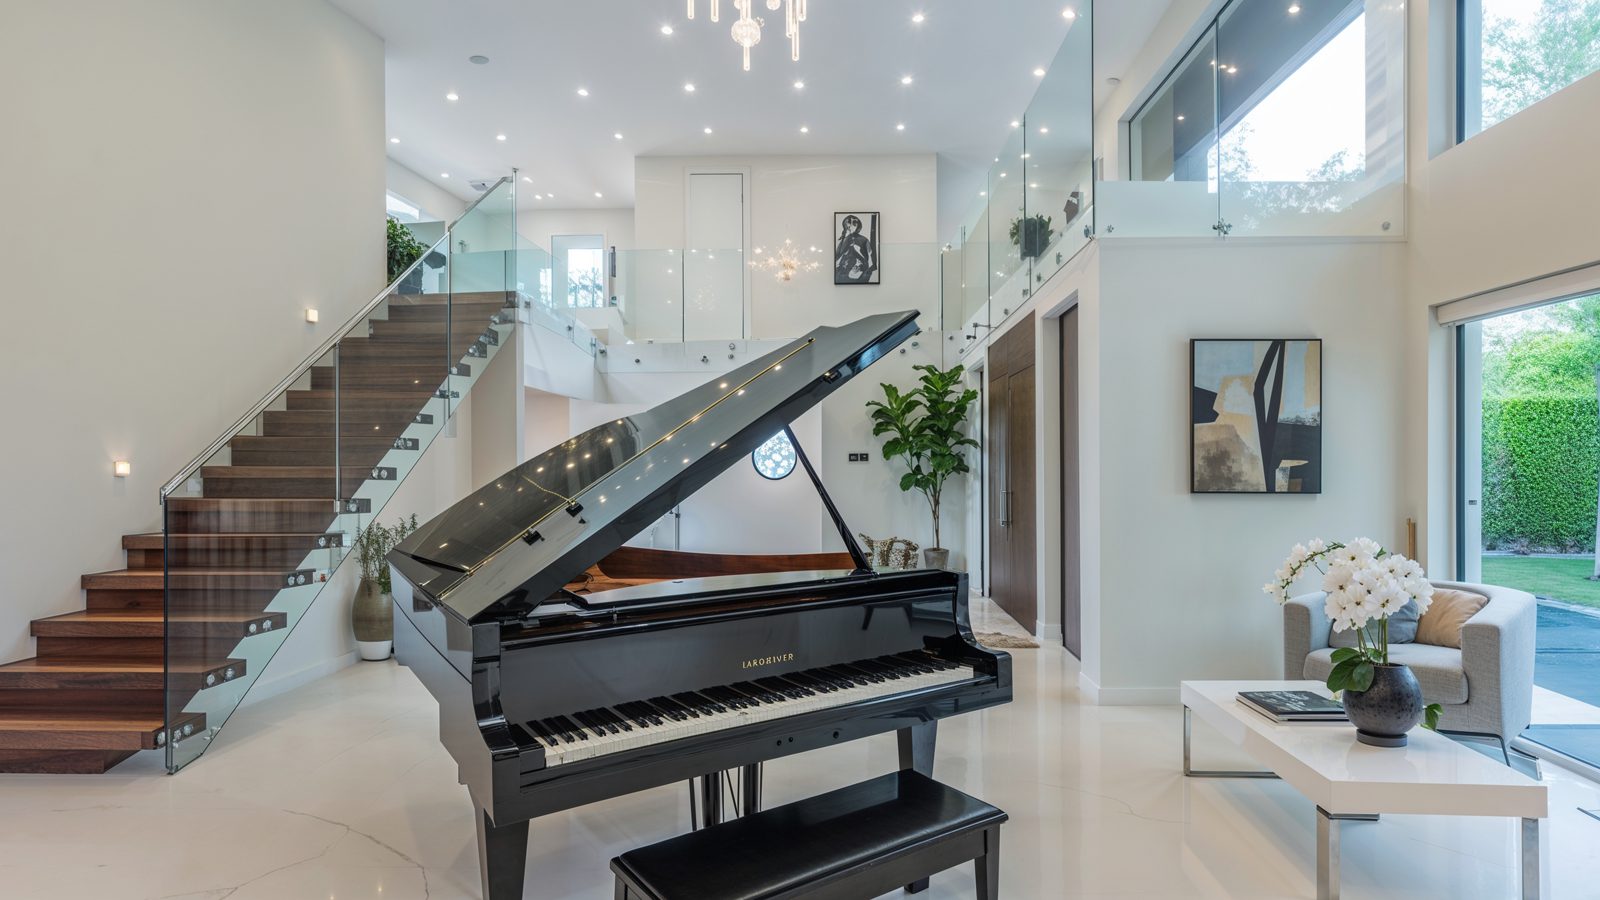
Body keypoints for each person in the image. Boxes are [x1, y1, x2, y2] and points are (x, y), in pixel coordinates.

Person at [834, 214, 878, 284]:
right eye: (849, 222)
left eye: (854, 222)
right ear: (846, 226)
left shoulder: (864, 240)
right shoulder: (843, 240)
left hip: (859, 273)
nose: (852, 225)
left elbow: (870, 257)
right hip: (842, 273)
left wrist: (862, 267)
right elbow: (837, 257)